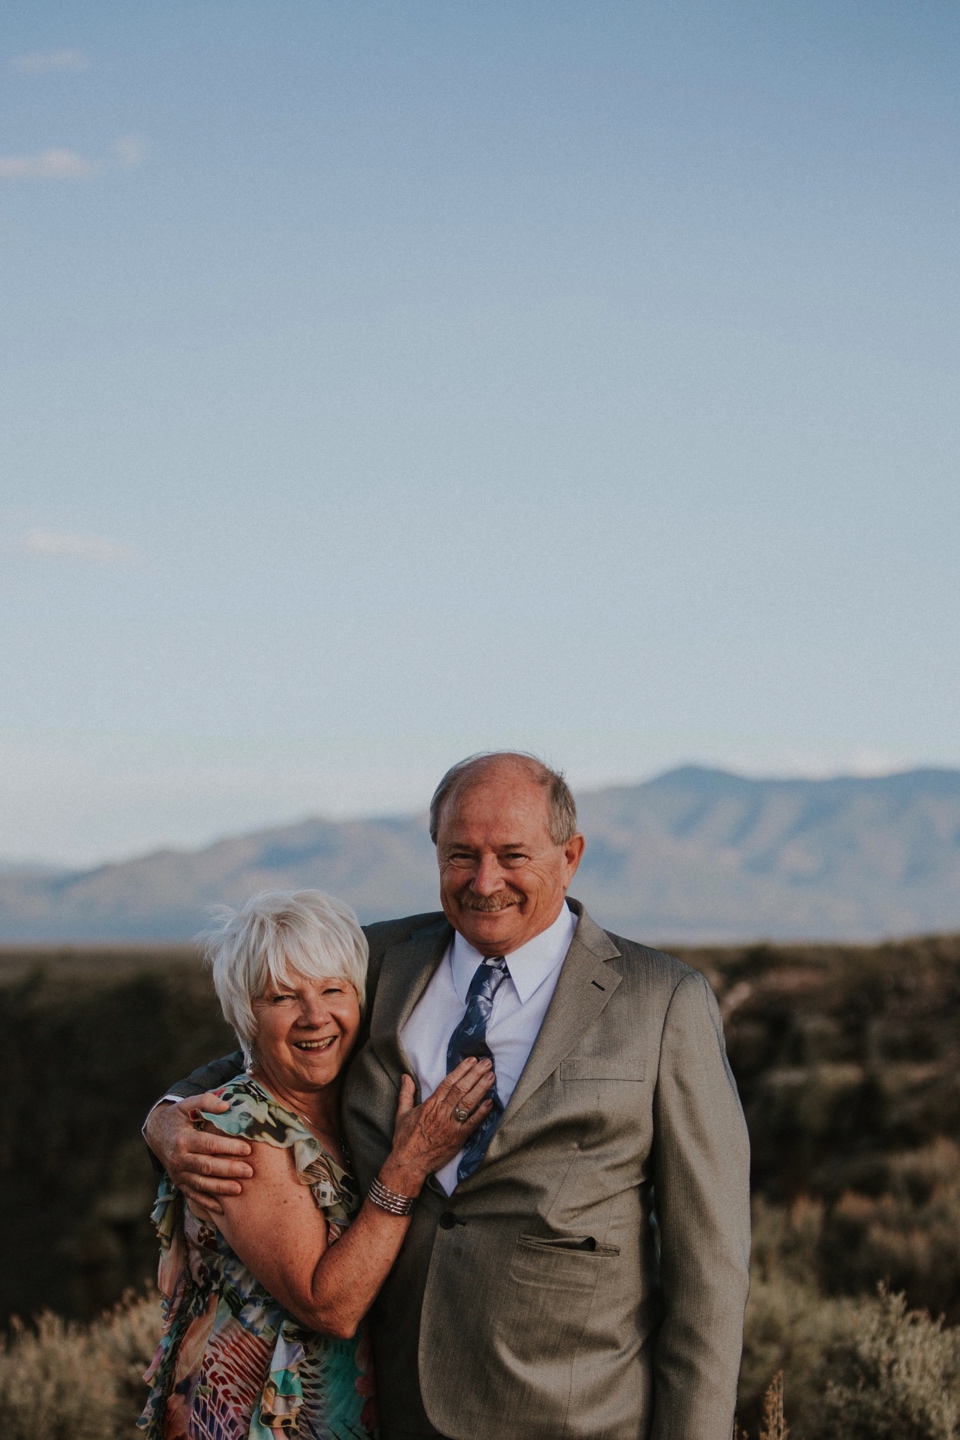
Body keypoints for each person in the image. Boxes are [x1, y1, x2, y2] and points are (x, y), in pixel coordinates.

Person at [147, 753, 751, 1440]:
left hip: (581, 1418)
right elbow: (265, 1052)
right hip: (394, 1409)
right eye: (461, 855)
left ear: (570, 855)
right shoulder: (378, 960)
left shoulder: (662, 999)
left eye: (512, 855)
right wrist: (165, 1119)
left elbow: (710, 1267)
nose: (485, 881)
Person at [139, 888, 494, 1440]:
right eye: (282, 998)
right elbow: (328, 1306)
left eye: (334, 990)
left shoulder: (344, 1101)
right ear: (245, 1013)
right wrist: (408, 1165)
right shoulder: (241, 1131)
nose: (315, 1016)